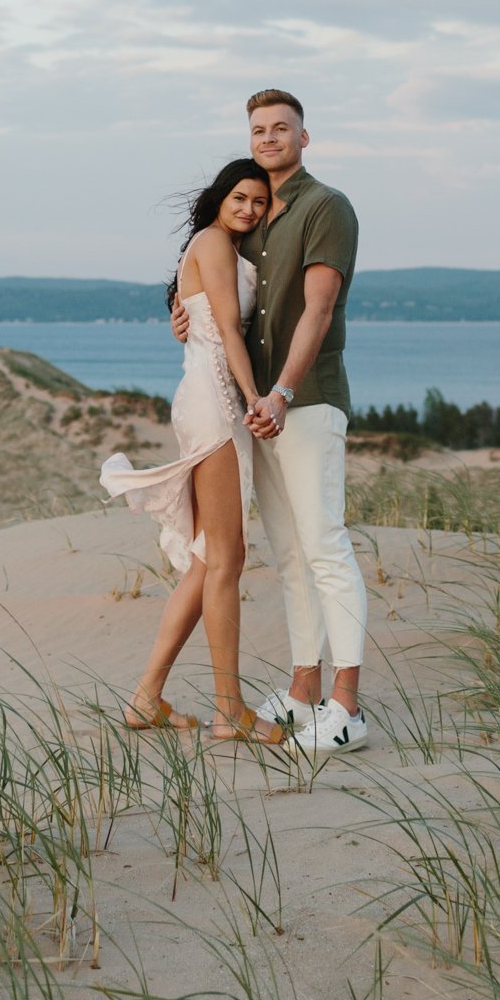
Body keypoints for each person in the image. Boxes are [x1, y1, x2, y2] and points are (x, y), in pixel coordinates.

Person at [170, 88, 367, 755]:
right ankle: (302, 686)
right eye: (259, 129)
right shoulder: (252, 219)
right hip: (256, 411)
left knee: (324, 544)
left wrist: (281, 390)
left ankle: (346, 703)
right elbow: (224, 305)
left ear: (304, 138)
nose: (270, 137)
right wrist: (183, 314)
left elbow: (317, 308)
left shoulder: (325, 206)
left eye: (282, 128)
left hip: (302, 399)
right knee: (288, 554)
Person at [101, 158, 287, 743]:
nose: (250, 209)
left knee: (210, 559)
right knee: (227, 560)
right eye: (240, 197)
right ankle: (229, 709)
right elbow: (229, 329)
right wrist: (258, 398)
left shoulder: (226, 247)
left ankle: (145, 697)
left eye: (259, 201)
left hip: (210, 396)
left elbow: (208, 317)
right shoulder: (212, 240)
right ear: (218, 197)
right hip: (215, 402)